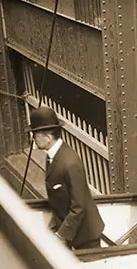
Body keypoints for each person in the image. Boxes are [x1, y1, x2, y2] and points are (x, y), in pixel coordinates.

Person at [27, 107, 104, 250]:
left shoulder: (69, 163)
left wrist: (61, 236)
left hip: (85, 235)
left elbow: (79, 206)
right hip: (72, 230)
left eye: (35, 135)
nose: (33, 138)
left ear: (48, 137)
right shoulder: (53, 156)